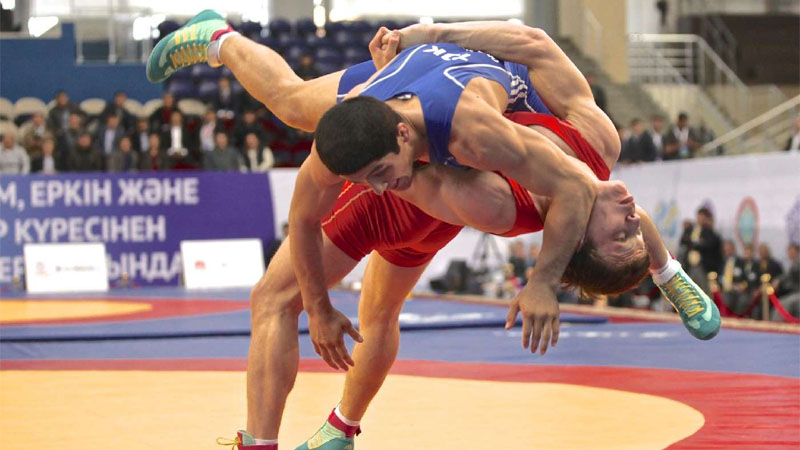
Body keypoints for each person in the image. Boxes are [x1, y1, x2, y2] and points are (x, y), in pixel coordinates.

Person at [148, 15, 719, 449]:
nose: (631, 207)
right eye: (633, 228)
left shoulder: (495, 190)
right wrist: (429, 33)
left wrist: (546, 281)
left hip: (420, 171)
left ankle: (335, 429)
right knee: (294, 106)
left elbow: (578, 201)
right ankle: (220, 37)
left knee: (364, 304)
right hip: (424, 112)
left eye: (622, 233)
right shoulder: (593, 150)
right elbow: (537, 48)